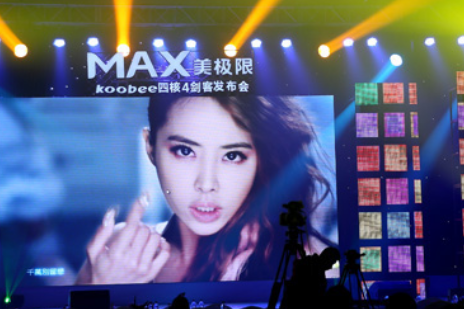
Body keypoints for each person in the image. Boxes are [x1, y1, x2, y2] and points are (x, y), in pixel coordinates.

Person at [76, 95, 336, 284]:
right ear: (150, 147)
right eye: (184, 151)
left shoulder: (309, 262)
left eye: (232, 156)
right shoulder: (119, 253)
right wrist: (103, 286)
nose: (207, 184)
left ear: (260, 161)